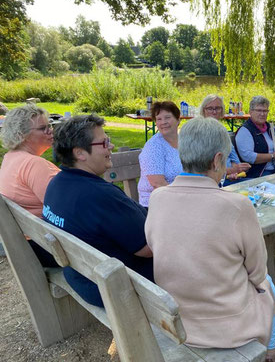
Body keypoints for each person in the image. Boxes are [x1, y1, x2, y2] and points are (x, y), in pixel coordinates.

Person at [146, 117, 275, 361]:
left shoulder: (157, 198)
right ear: (218, 160)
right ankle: (274, 348)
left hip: (175, 314)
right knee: (267, 283)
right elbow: (257, 272)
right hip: (226, 327)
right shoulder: (237, 205)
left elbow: (156, 243)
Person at [43, 114, 153, 307]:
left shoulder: (57, 183)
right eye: (104, 143)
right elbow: (147, 249)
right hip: (111, 285)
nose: (110, 147)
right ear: (80, 153)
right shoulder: (100, 195)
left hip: (79, 275)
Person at [0, 104, 60, 266]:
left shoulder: (11, 157)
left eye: (50, 126)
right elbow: (64, 210)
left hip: (31, 243)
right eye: (43, 128)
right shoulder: (34, 164)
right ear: (22, 135)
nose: (50, 131)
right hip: (50, 248)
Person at [137, 101, 183, 207]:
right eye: (159, 119)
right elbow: (158, 184)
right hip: (156, 205)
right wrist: (185, 198)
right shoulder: (153, 146)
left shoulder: (184, 142)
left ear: (178, 120)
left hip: (178, 200)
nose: (163, 122)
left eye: (167, 117)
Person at [199, 94, 251, 181]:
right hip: (210, 181)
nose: (214, 112)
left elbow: (233, 157)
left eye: (217, 108)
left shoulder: (223, 131)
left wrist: (235, 171)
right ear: (203, 110)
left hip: (228, 177)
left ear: (222, 111)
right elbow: (202, 169)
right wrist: (230, 171)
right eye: (210, 108)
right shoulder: (199, 133)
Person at [235, 96, 275, 178]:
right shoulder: (245, 130)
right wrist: (273, 156)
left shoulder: (270, 127)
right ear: (250, 112)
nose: (262, 114)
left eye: (265, 111)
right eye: (259, 110)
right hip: (258, 173)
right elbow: (248, 157)